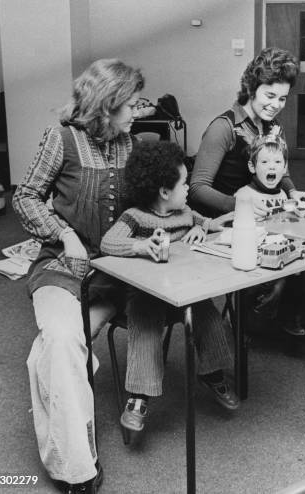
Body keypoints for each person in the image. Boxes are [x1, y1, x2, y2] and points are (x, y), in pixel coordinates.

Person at [12, 59, 144, 493]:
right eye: (128, 104)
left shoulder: (132, 143)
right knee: (65, 342)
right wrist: (63, 232)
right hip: (61, 267)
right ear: (105, 105)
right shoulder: (61, 138)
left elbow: (152, 203)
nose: (135, 112)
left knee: (50, 352)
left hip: (119, 270)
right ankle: (77, 469)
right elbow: (26, 196)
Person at [100, 141, 238, 432]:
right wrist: (139, 246)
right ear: (164, 192)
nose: (188, 189)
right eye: (184, 183)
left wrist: (201, 228)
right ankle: (139, 396)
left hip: (183, 293)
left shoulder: (184, 212)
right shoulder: (135, 217)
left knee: (208, 314)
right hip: (147, 295)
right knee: (146, 325)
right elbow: (108, 242)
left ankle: (212, 373)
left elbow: (205, 222)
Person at [189, 47, 305, 219]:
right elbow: (198, 187)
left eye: (282, 98)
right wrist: (239, 205)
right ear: (251, 89)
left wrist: (292, 192)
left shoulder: (275, 127)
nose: (276, 105)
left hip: (262, 219)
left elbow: (282, 173)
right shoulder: (223, 127)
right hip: (224, 223)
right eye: (270, 96)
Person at [234, 134, 305, 336]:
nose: (271, 167)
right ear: (252, 167)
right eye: (264, 162)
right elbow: (237, 230)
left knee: (301, 273)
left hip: (280, 253)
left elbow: (287, 225)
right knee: (279, 283)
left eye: (277, 162)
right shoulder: (244, 194)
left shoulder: (283, 195)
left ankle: (289, 318)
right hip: (255, 259)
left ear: (284, 168)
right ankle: (253, 320)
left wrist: (295, 215)